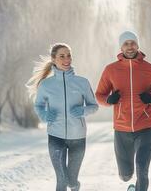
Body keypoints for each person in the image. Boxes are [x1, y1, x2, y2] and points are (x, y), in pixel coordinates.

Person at [95, 31, 151, 191]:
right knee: (125, 175)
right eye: (126, 44)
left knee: (142, 170)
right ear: (121, 47)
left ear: (138, 45)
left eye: (133, 43)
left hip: (145, 126)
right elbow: (99, 95)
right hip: (121, 129)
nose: (130, 47)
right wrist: (109, 100)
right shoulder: (111, 70)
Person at [27, 43, 98, 191]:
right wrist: (45, 115)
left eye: (69, 55)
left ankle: (75, 185)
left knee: (71, 181)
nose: (67, 59)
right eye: (62, 56)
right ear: (53, 59)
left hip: (78, 137)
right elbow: (38, 105)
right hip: (55, 136)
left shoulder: (82, 82)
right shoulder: (46, 85)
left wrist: (83, 110)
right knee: (61, 180)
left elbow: (94, 106)